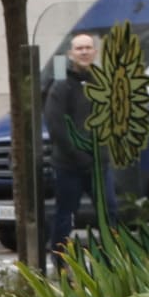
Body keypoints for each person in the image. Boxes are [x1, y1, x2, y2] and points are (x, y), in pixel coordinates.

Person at [41, 30, 102, 263]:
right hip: (69, 164)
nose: (84, 52)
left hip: (98, 163)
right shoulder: (61, 85)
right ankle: (60, 262)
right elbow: (57, 126)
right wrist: (79, 155)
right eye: (79, 48)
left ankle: (113, 261)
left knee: (110, 213)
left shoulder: (101, 82)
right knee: (65, 215)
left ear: (95, 52)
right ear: (70, 53)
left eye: (88, 48)